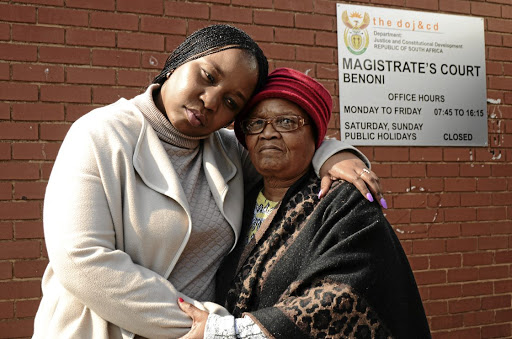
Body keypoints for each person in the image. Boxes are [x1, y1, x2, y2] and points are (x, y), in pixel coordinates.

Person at [32, 25, 383, 339]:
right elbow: (81, 260)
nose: (211, 100)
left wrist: (337, 156)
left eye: (232, 101)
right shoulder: (100, 134)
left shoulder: (228, 152)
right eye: (207, 76)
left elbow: (290, 145)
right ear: (178, 60)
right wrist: (209, 325)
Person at [178, 68, 431, 339]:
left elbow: (343, 298)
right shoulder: (236, 198)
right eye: (256, 123)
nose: (268, 133)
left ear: (316, 137)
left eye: (286, 122)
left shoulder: (344, 201)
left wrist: (227, 333)